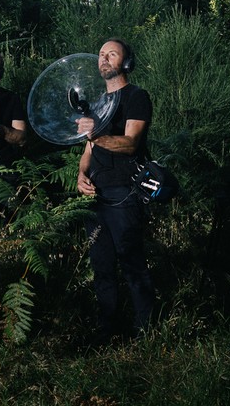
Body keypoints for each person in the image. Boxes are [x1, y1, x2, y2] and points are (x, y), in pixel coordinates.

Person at [76, 38, 156, 344]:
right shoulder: (96, 103)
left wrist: (95, 135)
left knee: (132, 262)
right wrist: (81, 176)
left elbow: (129, 143)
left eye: (112, 54)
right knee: (102, 266)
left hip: (124, 193)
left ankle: (146, 332)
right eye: (100, 54)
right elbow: (87, 151)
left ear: (126, 62)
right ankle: (106, 331)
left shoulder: (136, 97)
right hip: (95, 194)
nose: (104, 59)